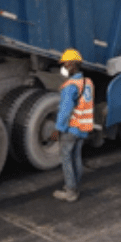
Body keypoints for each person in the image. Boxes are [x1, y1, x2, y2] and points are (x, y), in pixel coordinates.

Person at [49, 48, 94, 202]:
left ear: (72, 65)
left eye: (65, 65)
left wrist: (57, 129)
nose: (64, 68)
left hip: (71, 128)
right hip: (83, 127)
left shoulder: (70, 86)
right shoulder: (88, 83)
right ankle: (74, 185)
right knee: (76, 156)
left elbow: (65, 110)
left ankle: (71, 191)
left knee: (66, 157)